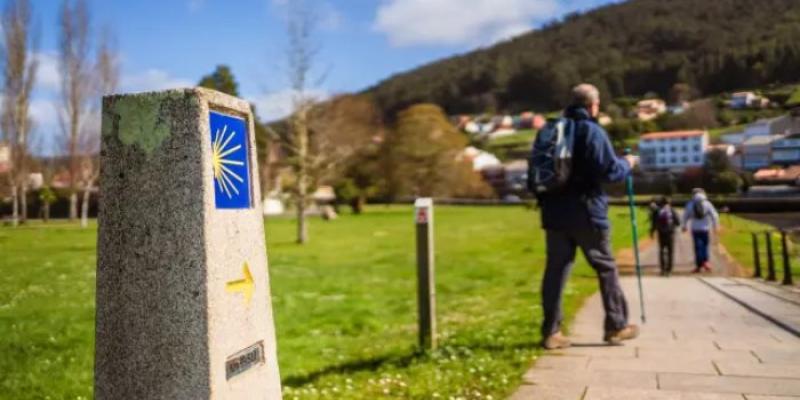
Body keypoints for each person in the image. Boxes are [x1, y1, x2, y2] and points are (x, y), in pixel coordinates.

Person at [537, 83, 639, 349]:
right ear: (593, 105)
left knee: (556, 271)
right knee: (605, 267)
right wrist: (628, 164)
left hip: (554, 213)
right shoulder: (592, 131)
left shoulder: (552, 131)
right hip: (587, 212)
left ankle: (551, 332)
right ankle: (616, 326)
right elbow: (609, 172)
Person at [682, 188, 719, 273]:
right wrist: (715, 226)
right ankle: (706, 262)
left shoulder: (690, 204)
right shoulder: (707, 203)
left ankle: (699, 265)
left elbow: (685, 216)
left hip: (695, 229)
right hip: (705, 228)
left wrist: (684, 226)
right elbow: (715, 215)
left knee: (697, 247)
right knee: (705, 245)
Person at [650, 196, 681, 277]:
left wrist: (652, 232)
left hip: (661, 233)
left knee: (661, 251)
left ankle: (663, 270)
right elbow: (678, 222)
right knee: (670, 252)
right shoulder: (672, 210)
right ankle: (669, 270)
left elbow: (653, 223)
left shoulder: (657, 211)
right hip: (670, 233)